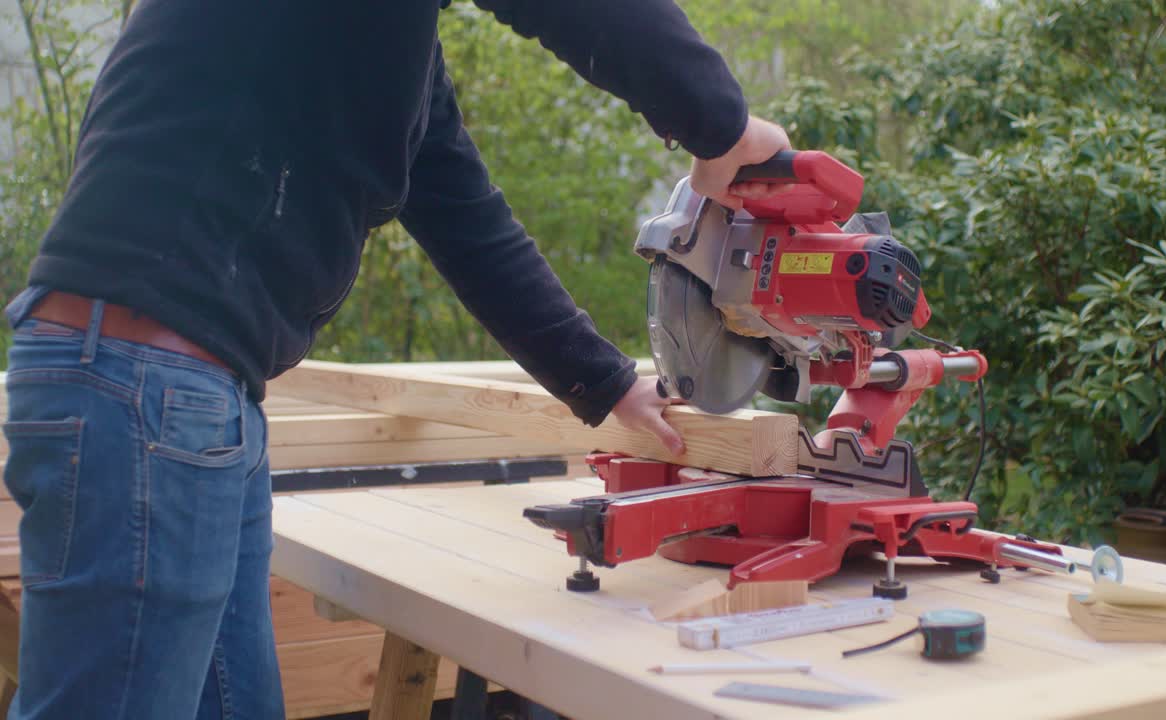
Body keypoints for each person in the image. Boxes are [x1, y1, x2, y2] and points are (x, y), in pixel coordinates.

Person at [0, 1, 790, 718]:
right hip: (148, 386)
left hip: (190, 400)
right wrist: (724, 128)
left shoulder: (369, 33)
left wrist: (607, 381)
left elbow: (458, 206)